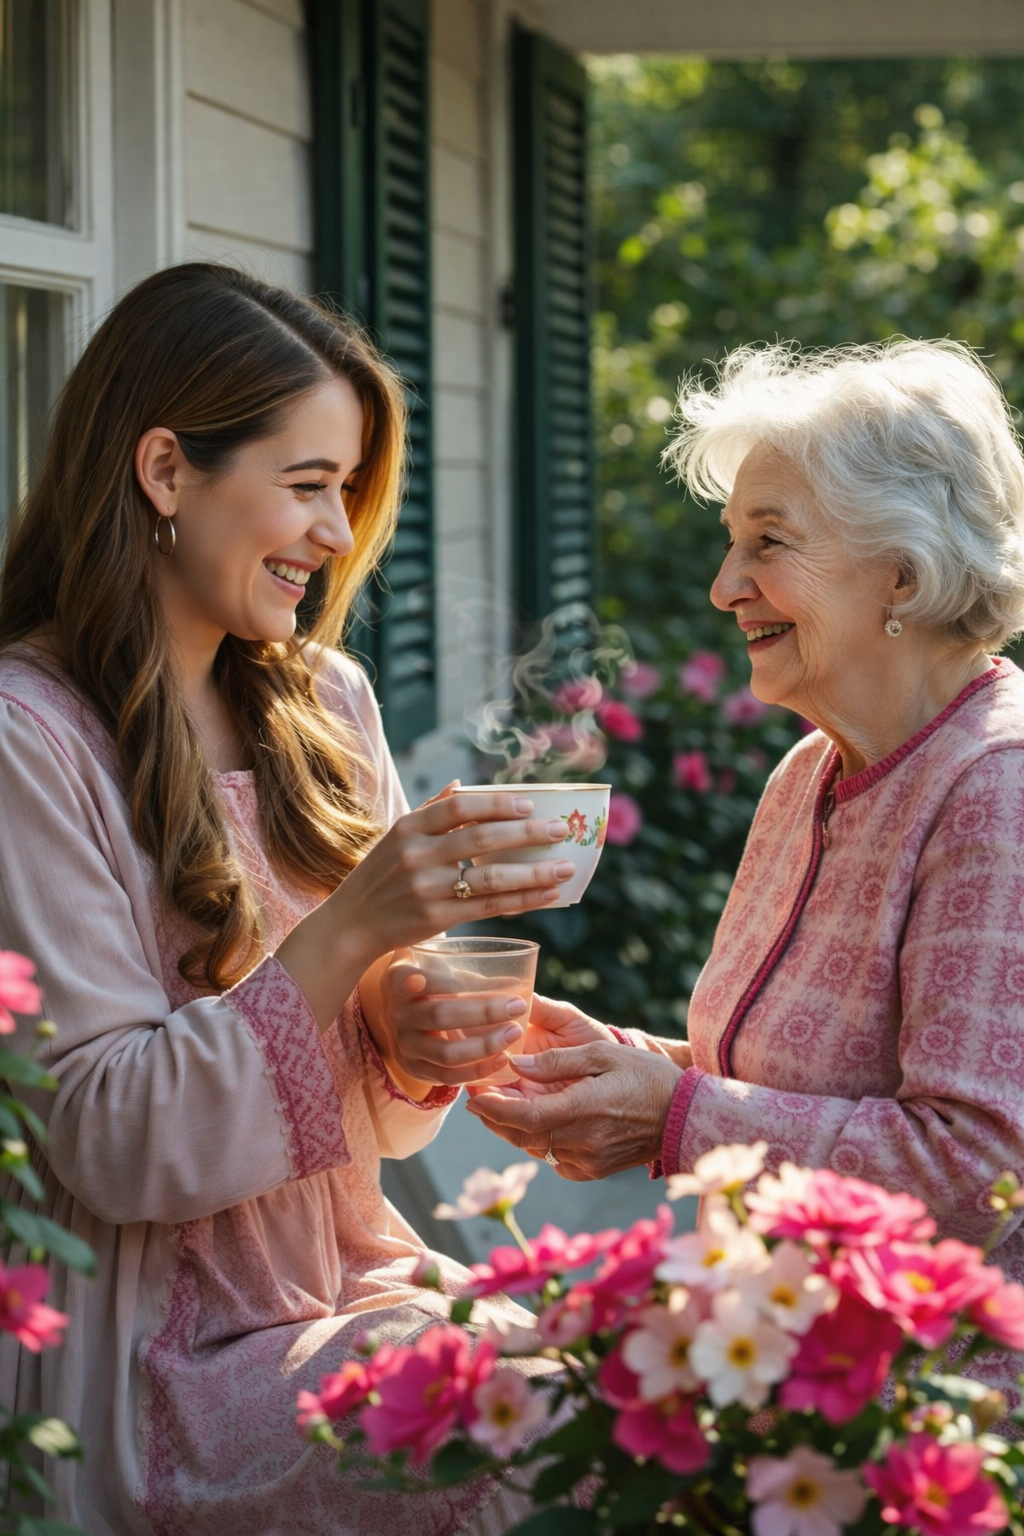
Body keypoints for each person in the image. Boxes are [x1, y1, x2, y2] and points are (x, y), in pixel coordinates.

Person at [0, 263, 579, 1534]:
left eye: (348, 491)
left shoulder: (326, 705)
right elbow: (109, 1141)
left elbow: (367, 1129)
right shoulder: (29, 739)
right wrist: (356, 926)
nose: (336, 534)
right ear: (165, 472)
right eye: (308, 486)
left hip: (345, 1283)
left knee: (621, 1387)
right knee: (548, 1441)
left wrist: (411, 1044)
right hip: (167, 1360)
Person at [382, 338, 1024, 1408]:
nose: (726, 586)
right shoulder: (809, 771)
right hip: (783, 1354)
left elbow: (975, 1173)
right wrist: (614, 1063)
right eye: (731, 543)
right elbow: (800, 1074)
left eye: (766, 544)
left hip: (938, 1418)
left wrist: (674, 1114)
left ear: (901, 576)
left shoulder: (994, 792)